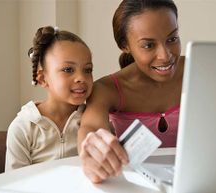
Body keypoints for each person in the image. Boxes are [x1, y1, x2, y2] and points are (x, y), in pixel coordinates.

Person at [78, 0, 184, 183]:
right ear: (125, 45)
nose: (165, 55)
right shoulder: (107, 89)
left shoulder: (200, 68)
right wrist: (92, 152)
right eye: (149, 45)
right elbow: (91, 129)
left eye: (172, 39)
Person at [5, 26, 93, 171]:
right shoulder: (22, 128)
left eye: (88, 70)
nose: (81, 78)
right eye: (68, 70)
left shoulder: (93, 119)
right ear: (42, 79)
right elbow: (14, 182)